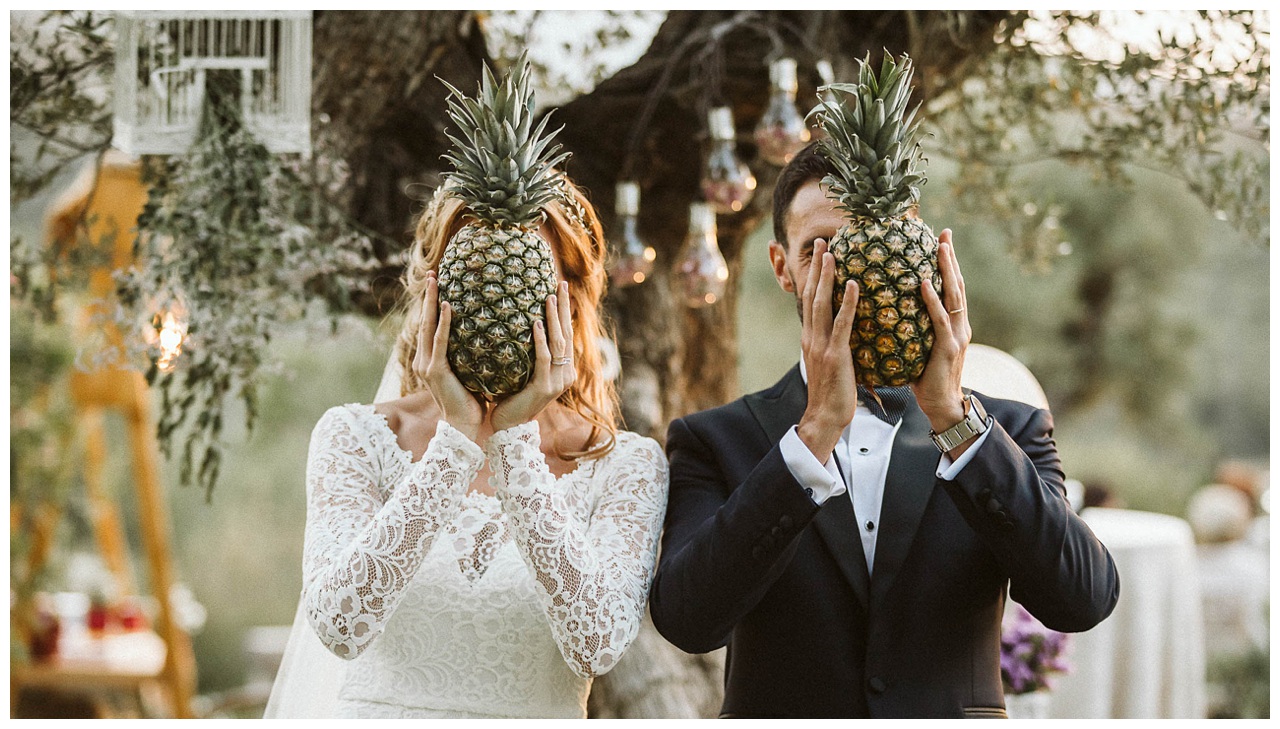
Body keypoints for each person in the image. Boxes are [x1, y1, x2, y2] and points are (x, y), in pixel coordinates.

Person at [648, 142, 1120, 719]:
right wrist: (813, 436)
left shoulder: (1009, 429)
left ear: (919, 251)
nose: (853, 274)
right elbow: (689, 621)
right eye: (821, 250)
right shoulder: (713, 440)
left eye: (872, 247)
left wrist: (955, 421)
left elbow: (1083, 599)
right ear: (781, 267)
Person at [266, 180, 668, 718]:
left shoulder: (625, 464)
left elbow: (596, 644)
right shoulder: (355, 438)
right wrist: (453, 444)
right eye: (477, 279)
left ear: (570, 303)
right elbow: (340, 626)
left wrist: (515, 444)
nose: (495, 308)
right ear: (434, 290)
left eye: (519, 282)